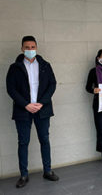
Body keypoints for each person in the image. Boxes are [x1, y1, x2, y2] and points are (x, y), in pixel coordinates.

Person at [6, 36, 59, 188]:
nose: (30, 50)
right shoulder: (14, 67)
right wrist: (26, 105)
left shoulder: (45, 65)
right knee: (23, 142)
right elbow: (11, 89)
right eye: (27, 47)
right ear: (22, 49)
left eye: (32, 47)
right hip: (23, 111)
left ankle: (47, 171)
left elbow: (52, 84)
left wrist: (42, 102)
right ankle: (23, 174)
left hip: (42, 110)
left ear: (36, 47)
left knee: (45, 140)